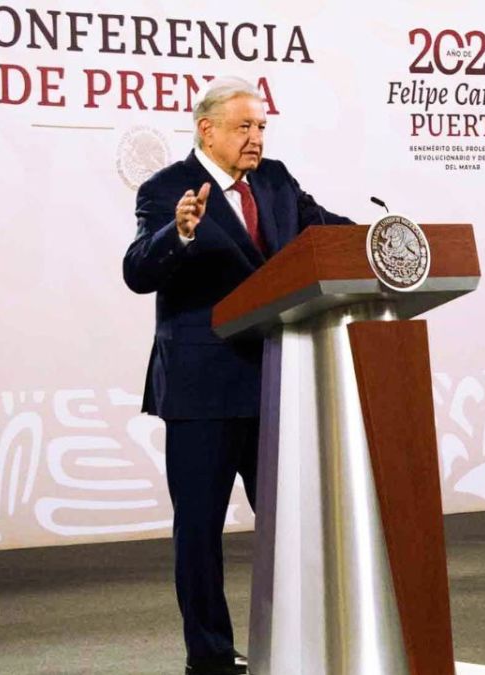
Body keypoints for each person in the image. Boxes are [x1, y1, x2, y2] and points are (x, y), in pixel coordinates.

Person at [122, 76, 353, 675]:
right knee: (199, 530)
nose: (256, 138)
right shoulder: (166, 188)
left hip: (278, 379)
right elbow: (138, 270)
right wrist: (179, 232)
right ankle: (210, 654)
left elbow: (325, 229)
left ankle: (301, 641)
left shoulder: (274, 180)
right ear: (207, 129)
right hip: (202, 387)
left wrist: (385, 241)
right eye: (245, 127)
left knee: (293, 523)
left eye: (262, 127)